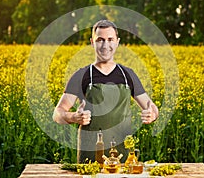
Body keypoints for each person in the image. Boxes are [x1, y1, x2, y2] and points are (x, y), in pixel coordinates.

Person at [53, 19, 159, 163]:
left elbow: (151, 108)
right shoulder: (81, 75)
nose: (105, 45)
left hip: (123, 158)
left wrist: (152, 114)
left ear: (117, 42)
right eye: (100, 40)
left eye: (110, 39)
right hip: (90, 160)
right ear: (92, 42)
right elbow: (57, 114)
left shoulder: (128, 75)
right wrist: (74, 117)